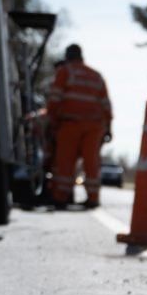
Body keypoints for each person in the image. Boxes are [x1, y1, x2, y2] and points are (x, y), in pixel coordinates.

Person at [46, 44, 112, 209]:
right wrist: (109, 128)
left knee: (65, 162)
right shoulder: (96, 76)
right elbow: (106, 105)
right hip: (94, 127)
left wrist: (51, 122)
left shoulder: (65, 72)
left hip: (70, 124)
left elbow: (54, 100)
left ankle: (62, 197)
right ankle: (93, 198)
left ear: (68, 57)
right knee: (91, 163)